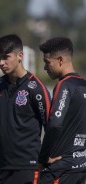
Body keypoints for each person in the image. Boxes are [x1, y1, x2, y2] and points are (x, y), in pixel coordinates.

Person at [0, 34, 51, 184]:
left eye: (6, 57)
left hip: (27, 168)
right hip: (0, 167)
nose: (1, 63)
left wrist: (49, 155)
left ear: (20, 56)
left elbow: (51, 125)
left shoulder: (35, 88)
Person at [38, 37, 86, 184]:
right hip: (81, 166)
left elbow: (54, 124)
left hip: (62, 168)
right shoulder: (83, 85)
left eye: (47, 63)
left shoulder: (64, 86)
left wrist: (43, 157)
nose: (45, 68)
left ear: (60, 60)